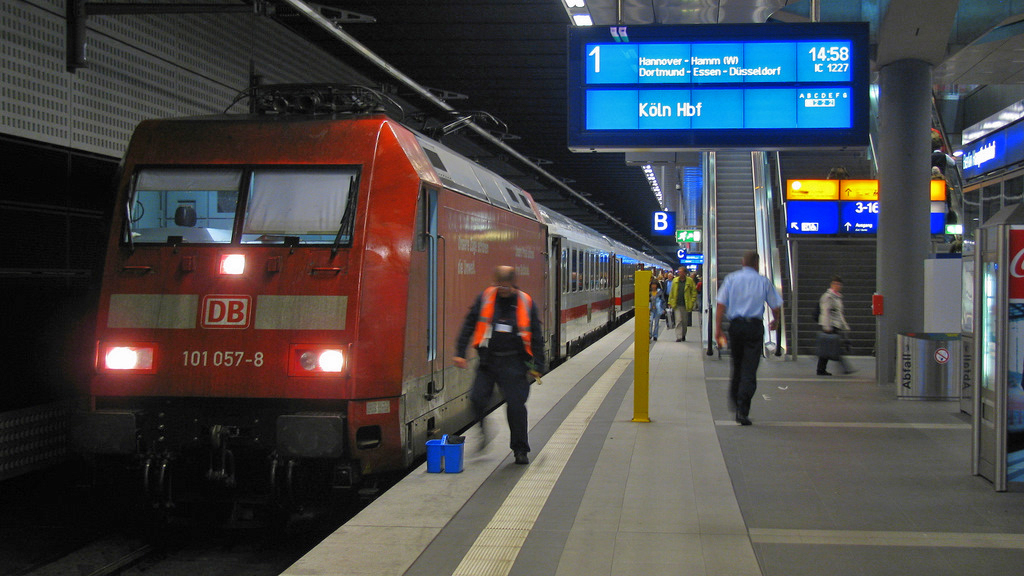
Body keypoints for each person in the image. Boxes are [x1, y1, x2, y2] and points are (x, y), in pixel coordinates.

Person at [454, 266, 544, 465]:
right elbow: (469, 325)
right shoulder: (485, 298)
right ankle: (483, 431)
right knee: (477, 399)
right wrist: (460, 352)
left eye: (506, 286)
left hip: (515, 364)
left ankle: (520, 449)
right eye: (499, 285)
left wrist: (538, 365)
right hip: (489, 362)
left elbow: (536, 336)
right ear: (495, 282)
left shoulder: (525, 302)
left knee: (516, 407)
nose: (502, 289)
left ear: (513, 284)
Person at [714, 251, 783, 426]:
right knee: (750, 369)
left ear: (742, 262)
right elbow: (775, 306)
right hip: (754, 328)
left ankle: (735, 399)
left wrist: (718, 329)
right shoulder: (763, 282)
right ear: (757, 264)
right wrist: (776, 321)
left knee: (737, 366)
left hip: (736, 327)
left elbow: (721, 304)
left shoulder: (731, 279)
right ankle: (743, 410)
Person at [817, 275, 853, 375]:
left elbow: (839, 313)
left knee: (828, 348)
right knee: (832, 347)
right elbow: (826, 312)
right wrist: (827, 327)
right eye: (836, 284)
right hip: (830, 325)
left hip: (836, 325)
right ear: (831, 284)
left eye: (839, 284)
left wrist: (844, 325)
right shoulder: (828, 297)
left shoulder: (837, 297)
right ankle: (843, 367)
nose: (838, 286)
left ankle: (821, 369)